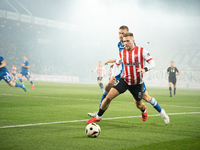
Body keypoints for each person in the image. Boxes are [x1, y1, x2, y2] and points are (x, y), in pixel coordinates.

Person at [88, 25, 169, 124]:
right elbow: (118, 63)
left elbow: (152, 63)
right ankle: (98, 116)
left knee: (140, 103)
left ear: (133, 41)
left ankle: (149, 111)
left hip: (137, 82)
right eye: (123, 40)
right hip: (124, 79)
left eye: (127, 40)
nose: (125, 42)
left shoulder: (141, 51)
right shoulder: (121, 51)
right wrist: (113, 75)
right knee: (108, 95)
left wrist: (144, 69)